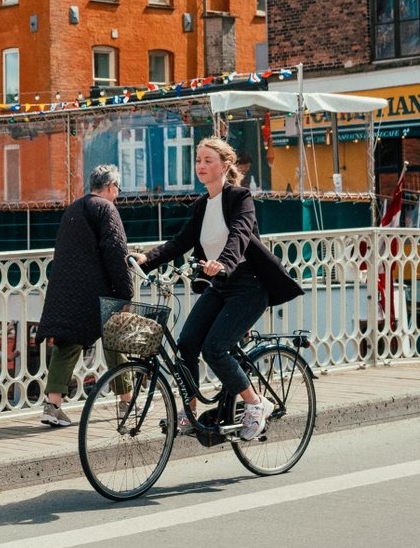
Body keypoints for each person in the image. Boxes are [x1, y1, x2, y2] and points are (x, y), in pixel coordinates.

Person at [139, 136, 272, 440]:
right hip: (219, 285)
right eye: (198, 160)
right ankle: (189, 412)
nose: (201, 166)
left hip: (249, 286)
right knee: (187, 343)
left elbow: (239, 235)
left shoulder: (240, 197)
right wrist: (147, 258)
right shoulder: (202, 205)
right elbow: (180, 242)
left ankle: (256, 404)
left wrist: (223, 262)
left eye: (208, 160)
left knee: (214, 348)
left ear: (225, 165)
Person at [36, 165, 135, 427]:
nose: (117, 194)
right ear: (111, 187)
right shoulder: (106, 209)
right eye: (118, 188)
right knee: (115, 341)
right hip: (98, 291)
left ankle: (52, 407)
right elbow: (116, 251)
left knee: (67, 344)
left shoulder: (73, 208)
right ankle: (127, 402)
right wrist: (126, 292)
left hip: (68, 290)